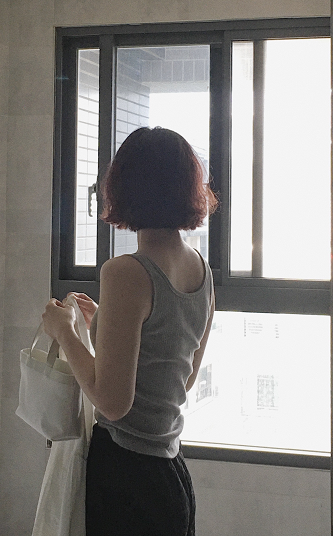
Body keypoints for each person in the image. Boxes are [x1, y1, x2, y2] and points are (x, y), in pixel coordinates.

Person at [41, 126, 217, 536]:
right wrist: (106, 322)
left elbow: (113, 402)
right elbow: (182, 376)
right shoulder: (202, 271)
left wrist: (64, 332)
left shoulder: (125, 272)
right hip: (172, 477)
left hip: (126, 480)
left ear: (123, 187)